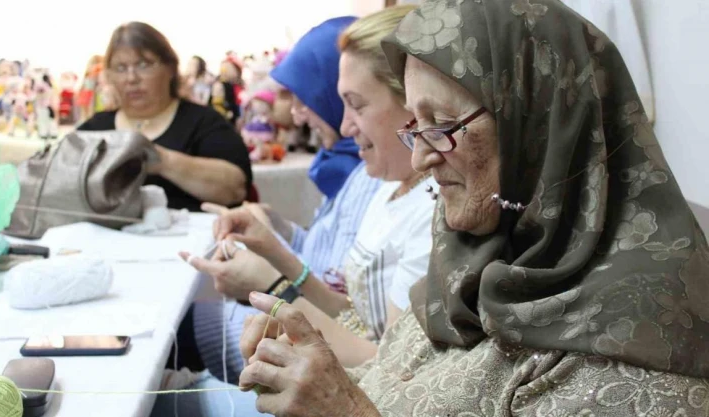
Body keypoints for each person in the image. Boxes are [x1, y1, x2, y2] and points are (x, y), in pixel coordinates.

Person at [151, 1, 709, 416]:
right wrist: (308, 353)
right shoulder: (480, 252)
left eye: (442, 126)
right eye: (416, 126)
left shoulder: (634, 348)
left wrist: (343, 409)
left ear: (542, 130)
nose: (420, 158)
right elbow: (388, 364)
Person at [163, 16, 383, 384]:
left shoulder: (376, 175)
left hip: (315, 348)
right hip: (310, 336)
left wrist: (273, 282)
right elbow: (326, 257)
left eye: (356, 104)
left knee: (172, 331)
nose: (295, 113)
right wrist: (275, 228)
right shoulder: (359, 169)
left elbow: (352, 320)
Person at [77, 22, 252, 211]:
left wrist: (161, 160)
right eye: (120, 68)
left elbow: (236, 189)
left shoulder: (204, 123)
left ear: (170, 68)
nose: (131, 78)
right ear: (109, 75)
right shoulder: (94, 129)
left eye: (143, 65)